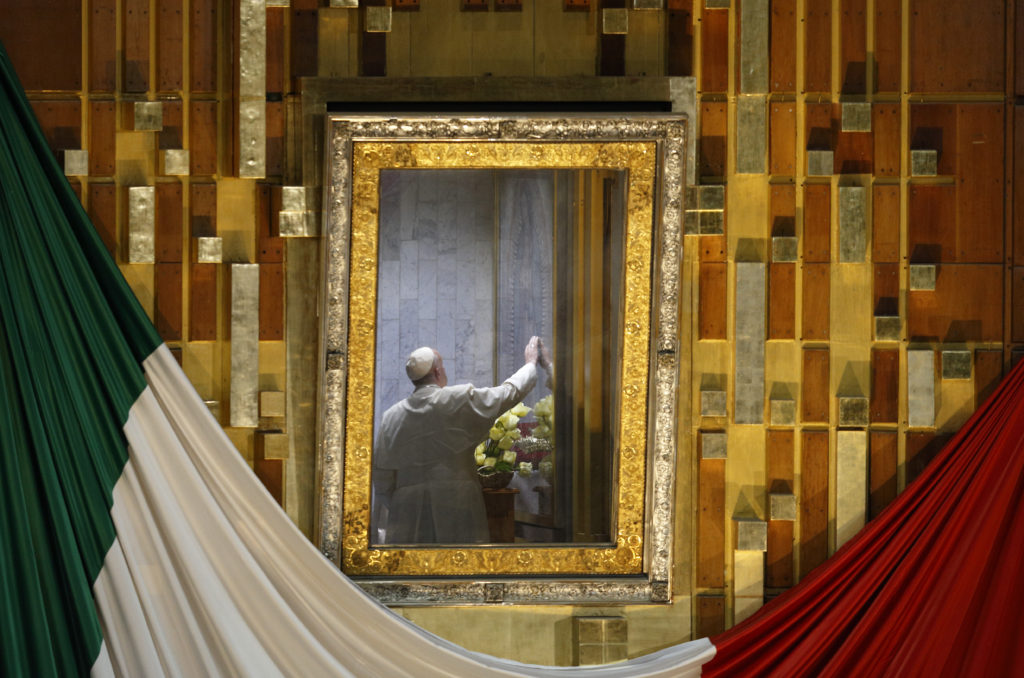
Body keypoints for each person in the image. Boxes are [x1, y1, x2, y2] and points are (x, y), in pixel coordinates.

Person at [372, 336, 543, 544]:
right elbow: (507, 394)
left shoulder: (391, 416)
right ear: (437, 372)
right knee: (459, 568)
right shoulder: (456, 399)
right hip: (456, 502)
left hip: (407, 509)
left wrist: (404, 502)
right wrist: (530, 364)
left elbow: (381, 478)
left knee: (413, 571)